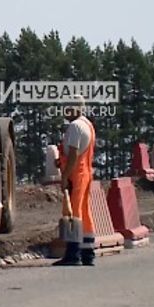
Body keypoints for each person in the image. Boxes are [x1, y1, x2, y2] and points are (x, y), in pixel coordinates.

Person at [53, 95, 97, 266]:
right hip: (85, 173)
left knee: (74, 214)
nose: (65, 111)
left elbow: (73, 154)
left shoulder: (75, 126)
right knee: (85, 212)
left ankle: (73, 254)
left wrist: (64, 177)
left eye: (67, 107)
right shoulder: (88, 125)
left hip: (76, 175)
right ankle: (88, 253)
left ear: (76, 108)